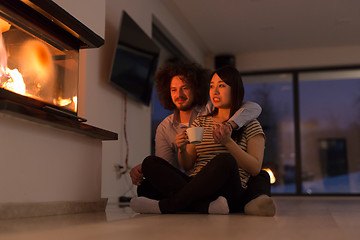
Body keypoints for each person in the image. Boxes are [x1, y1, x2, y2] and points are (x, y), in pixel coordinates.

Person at [130, 62, 275, 215]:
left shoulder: (250, 123)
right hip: (196, 185)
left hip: (229, 189)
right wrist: (182, 148)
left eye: (221, 86)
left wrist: (228, 142)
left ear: (235, 89)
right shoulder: (200, 121)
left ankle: (167, 206)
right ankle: (205, 207)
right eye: (212, 86)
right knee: (149, 163)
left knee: (225, 160)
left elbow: (255, 169)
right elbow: (187, 165)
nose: (215, 91)